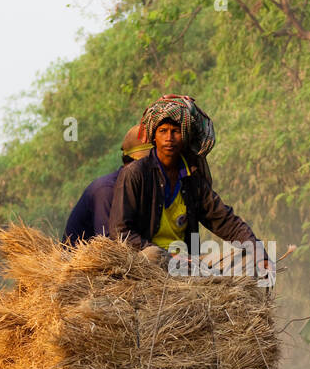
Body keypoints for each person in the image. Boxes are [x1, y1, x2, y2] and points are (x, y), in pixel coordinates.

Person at [109, 94, 262, 265]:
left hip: (187, 262)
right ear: (153, 137)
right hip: (149, 261)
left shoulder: (193, 178)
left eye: (175, 131)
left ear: (185, 136)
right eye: (163, 131)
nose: (169, 138)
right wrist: (167, 256)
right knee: (153, 255)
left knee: (246, 259)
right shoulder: (135, 173)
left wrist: (257, 251)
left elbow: (224, 220)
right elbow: (120, 231)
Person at [62, 123, 153, 245]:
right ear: (134, 165)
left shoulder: (142, 190)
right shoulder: (107, 190)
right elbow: (109, 246)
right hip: (83, 261)